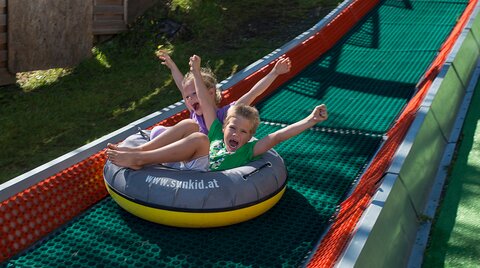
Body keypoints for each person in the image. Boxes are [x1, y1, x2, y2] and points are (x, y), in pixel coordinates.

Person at [106, 55, 328, 172]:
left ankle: (140, 157)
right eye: (232, 128)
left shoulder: (237, 132)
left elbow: (277, 134)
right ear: (225, 128)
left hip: (198, 158)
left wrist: (310, 119)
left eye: (242, 131)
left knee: (197, 134)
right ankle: (141, 152)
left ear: (250, 136)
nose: (236, 134)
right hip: (187, 154)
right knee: (190, 126)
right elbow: (190, 92)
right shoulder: (216, 131)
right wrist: (181, 68)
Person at [150, 50, 292, 138]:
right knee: (157, 130)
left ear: (210, 92)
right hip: (184, 146)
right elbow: (182, 86)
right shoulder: (194, 113)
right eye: (187, 97)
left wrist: (274, 73)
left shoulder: (225, 114)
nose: (190, 99)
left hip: (201, 152)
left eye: (195, 94)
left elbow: (253, 93)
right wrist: (172, 65)